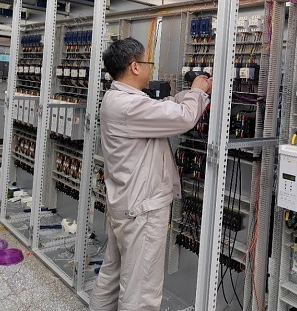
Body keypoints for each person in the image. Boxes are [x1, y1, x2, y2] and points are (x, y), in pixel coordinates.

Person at [89, 38, 212, 311]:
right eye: (148, 63)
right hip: (142, 210)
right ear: (135, 67)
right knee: (141, 293)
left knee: (112, 274)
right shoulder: (130, 106)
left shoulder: (118, 98)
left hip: (125, 204)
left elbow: (165, 108)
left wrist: (192, 94)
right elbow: (182, 118)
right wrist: (197, 92)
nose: (150, 68)